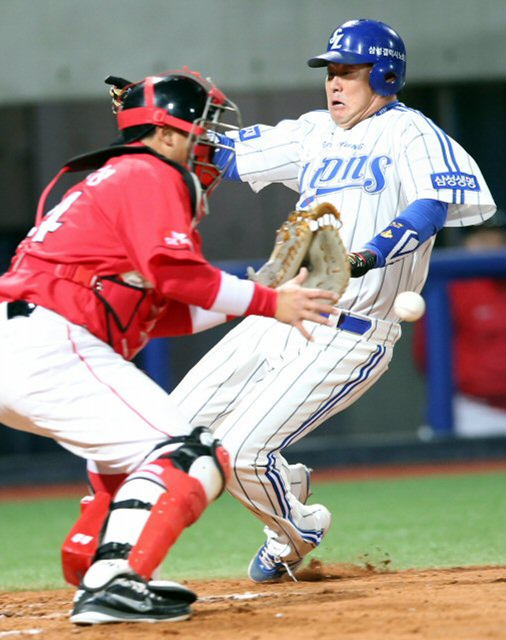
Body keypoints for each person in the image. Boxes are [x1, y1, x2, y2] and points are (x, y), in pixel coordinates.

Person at [0, 69, 340, 625]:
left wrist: (264, 290)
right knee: (191, 453)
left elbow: (165, 313)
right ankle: (116, 580)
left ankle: (93, 559)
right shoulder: (149, 172)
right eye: (198, 129)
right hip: (51, 341)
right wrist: (268, 300)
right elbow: (174, 273)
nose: (205, 142)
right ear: (164, 132)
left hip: (26, 342)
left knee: (128, 455)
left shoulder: (117, 177)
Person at [168, 19, 497, 582]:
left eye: (347, 71)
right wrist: (156, 118)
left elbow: (430, 208)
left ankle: (295, 531)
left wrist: (366, 257)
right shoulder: (313, 132)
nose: (334, 82)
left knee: (241, 450)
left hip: (353, 331)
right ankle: (284, 495)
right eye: (330, 71)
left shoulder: (410, 133)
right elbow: (222, 154)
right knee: (169, 431)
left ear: (385, 74)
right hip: (283, 312)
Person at [414, 211, 506, 437]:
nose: (488, 243)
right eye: (479, 237)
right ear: (465, 242)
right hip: (475, 411)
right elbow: (426, 355)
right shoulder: (452, 288)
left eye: (495, 236)